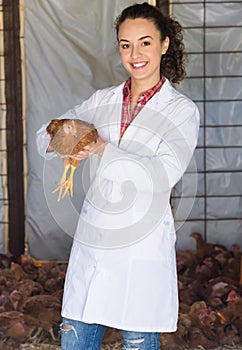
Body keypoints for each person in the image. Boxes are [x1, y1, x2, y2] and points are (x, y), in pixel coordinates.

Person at [36, 2, 199, 349]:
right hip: (95, 241)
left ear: (164, 44)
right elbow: (43, 137)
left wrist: (100, 148)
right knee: (76, 340)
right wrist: (66, 135)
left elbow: (161, 176)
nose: (135, 54)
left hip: (141, 245)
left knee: (138, 339)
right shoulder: (102, 101)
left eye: (144, 42)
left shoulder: (181, 111)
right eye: (126, 45)